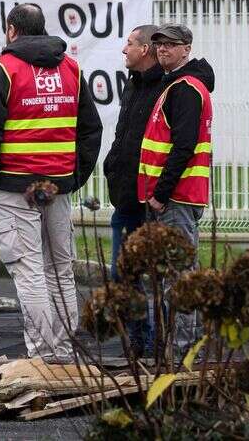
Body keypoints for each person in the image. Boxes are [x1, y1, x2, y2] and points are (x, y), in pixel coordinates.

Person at [0, 3, 103, 361]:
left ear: (12, 30)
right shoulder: (71, 68)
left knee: (29, 271)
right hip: (56, 187)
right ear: (42, 29)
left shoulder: (3, 69)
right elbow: (90, 129)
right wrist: (73, 177)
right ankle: (64, 350)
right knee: (60, 269)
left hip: (13, 187)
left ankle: (42, 354)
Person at [137, 24, 215, 360]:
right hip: (173, 198)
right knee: (174, 277)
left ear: (186, 49)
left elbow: (183, 146)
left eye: (171, 45)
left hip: (176, 199)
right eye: (159, 45)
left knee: (180, 278)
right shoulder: (175, 85)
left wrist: (160, 193)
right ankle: (181, 351)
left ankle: (187, 355)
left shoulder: (185, 88)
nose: (164, 50)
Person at [100, 23, 169, 354]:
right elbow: (124, 132)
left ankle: (163, 343)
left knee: (160, 276)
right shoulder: (132, 86)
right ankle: (140, 340)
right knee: (122, 272)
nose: (124, 49)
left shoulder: (166, 87)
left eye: (129, 43)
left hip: (154, 200)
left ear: (145, 50)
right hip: (126, 196)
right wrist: (112, 163)